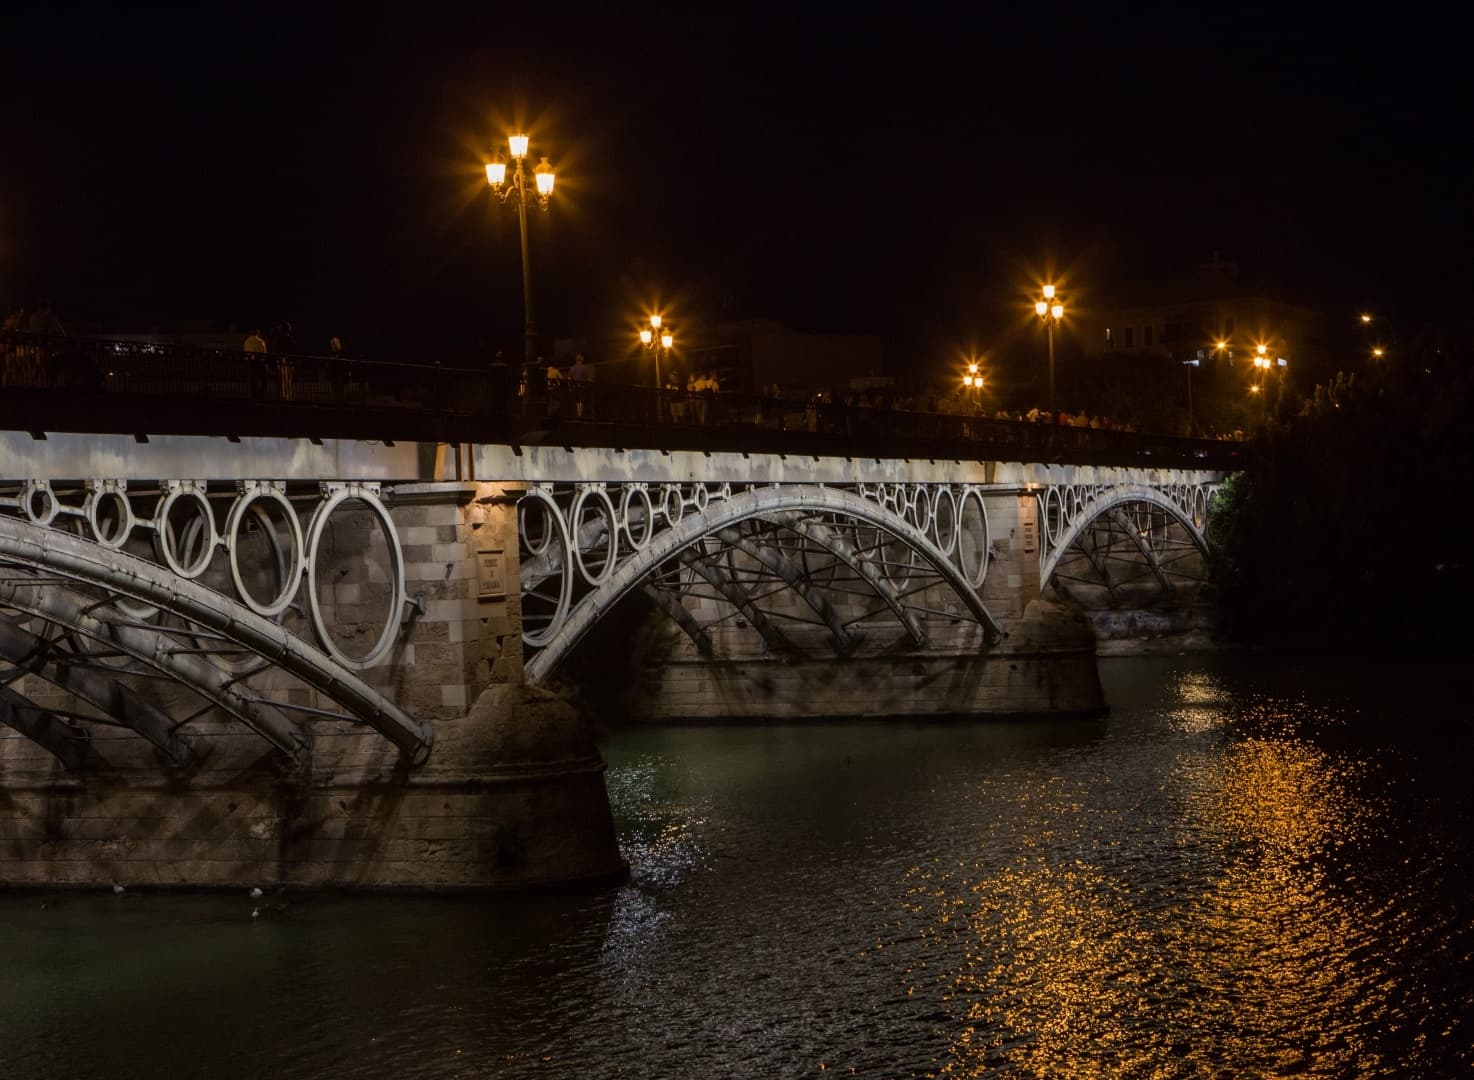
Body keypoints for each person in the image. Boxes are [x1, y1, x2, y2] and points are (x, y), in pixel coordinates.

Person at [243, 327, 269, 400]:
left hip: (251, 362)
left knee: (253, 380)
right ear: (258, 333)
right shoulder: (261, 341)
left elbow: (246, 352)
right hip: (260, 362)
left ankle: (254, 395)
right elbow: (264, 353)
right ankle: (261, 395)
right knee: (263, 379)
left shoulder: (246, 341)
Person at [568, 353, 591, 418]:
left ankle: (578, 413)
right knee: (582, 400)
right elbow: (588, 379)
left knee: (577, 400)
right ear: (582, 360)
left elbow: (569, 379)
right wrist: (588, 386)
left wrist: (570, 387)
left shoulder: (572, 368)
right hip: (583, 386)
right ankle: (581, 414)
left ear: (576, 360)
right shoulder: (585, 368)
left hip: (575, 386)